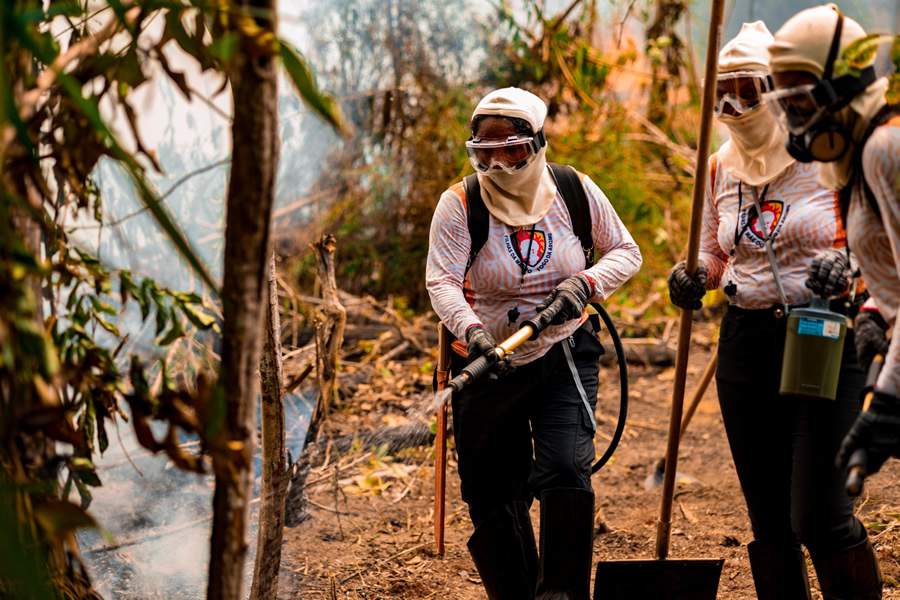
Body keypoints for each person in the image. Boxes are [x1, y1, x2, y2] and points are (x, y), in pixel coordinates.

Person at [667, 21, 881, 599]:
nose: (735, 104)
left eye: (750, 89)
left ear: (778, 89)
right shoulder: (719, 166)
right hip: (746, 341)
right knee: (770, 521)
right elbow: (715, 250)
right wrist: (696, 277)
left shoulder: (828, 153)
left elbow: (874, 242)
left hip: (825, 334)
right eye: (724, 91)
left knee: (819, 513)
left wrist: (848, 269)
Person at [425, 87, 641, 600]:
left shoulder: (572, 191)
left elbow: (625, 252)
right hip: (485, 363)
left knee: (566, 467)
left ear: (538, 144)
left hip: (562, 351)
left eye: (512, 149)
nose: (497, 164)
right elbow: (442, 282)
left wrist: (584, 285)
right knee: (492, 494)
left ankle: (562, 595)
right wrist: (473, 333)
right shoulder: (460, 205)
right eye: (484, 151)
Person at [764, 5, 900, 511]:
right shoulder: (861, 155)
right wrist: (872, 311)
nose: (794, 121)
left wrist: (886, 399)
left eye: (800, 100)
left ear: (838, 87)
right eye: (786, 104)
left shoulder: (886, 148)